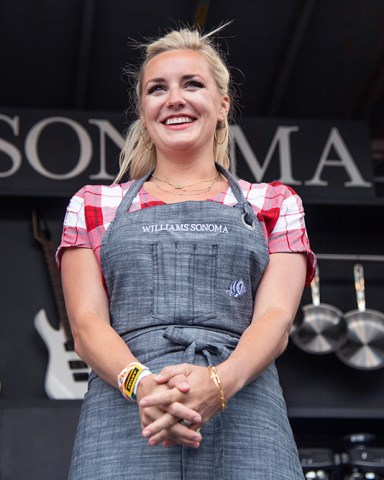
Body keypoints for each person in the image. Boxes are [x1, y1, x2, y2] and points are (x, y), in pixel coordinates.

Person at [58, 24, 316, 480]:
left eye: (192, 84)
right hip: (128, 409)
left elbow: (275, 321)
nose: (173, 98)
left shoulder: (275, 203)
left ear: (222, 106)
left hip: (243, 404)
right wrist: (144, 388)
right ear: (144, 110)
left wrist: (219, 384)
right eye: (158, 89)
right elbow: (86, 325)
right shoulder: (94, 204)